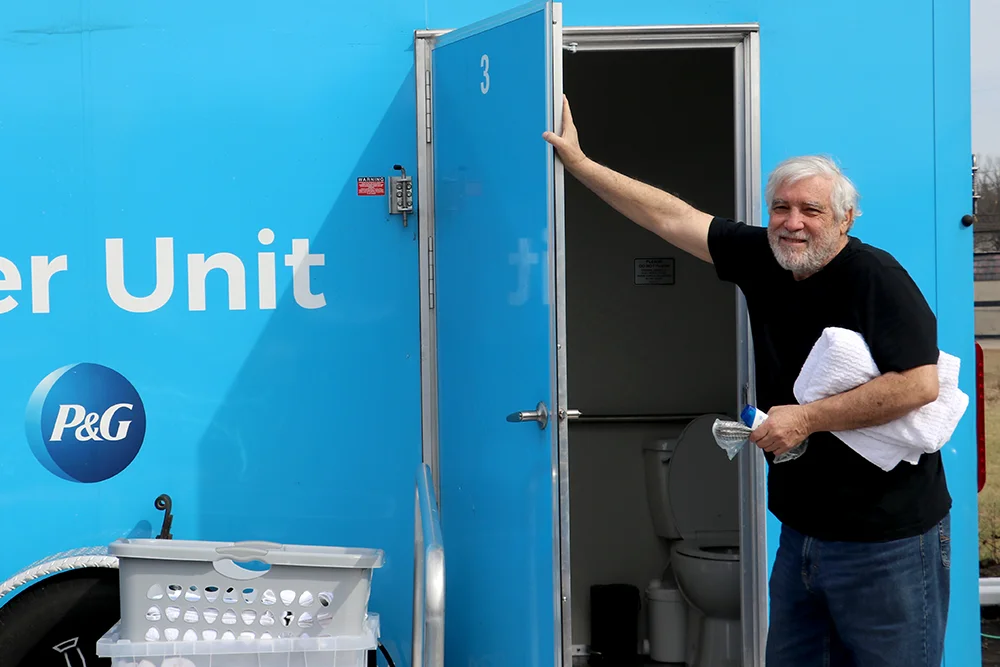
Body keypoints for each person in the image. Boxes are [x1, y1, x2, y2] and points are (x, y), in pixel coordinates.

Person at [543, 96, 951, 667]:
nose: (792, 222)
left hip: (887, 542)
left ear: (844, 218)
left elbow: (918, 385)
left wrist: (806, 418)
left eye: (810, 210)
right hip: (802, 536)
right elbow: (671, 216)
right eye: (780, 207)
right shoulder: (765, 256)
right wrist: (581, 165)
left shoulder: (875, 276)